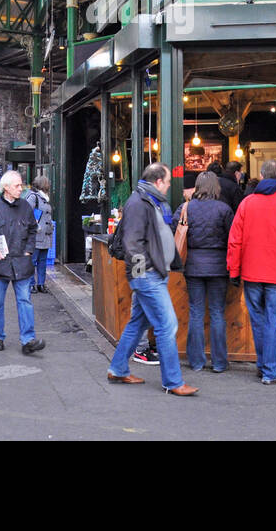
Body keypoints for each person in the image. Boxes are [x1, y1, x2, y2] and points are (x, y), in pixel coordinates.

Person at [105, 163, 197, 396]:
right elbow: (132, 243)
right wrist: (142, 276)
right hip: (148, 275)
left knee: (137, 323)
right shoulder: (140, 203)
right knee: (167, 325)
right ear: (158, 182)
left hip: (151, 274)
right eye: (166, 182)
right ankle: (173, 382)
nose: (168, 187)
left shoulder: (148, 201)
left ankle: (117, 369)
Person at [227, 159, 276, 385]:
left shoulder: (246, 204)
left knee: (258, 321)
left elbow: (235, 241)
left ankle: (264, 366)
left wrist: (234, 270)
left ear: (261, 177)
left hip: (252, 273)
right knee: (273, 322)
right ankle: (271, 371)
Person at [0, 170, 44, 355]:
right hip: (0, 262)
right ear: (6, 188)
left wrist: (29, 250)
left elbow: (32, 230)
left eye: (21, 185)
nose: (21, 189)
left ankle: (28, 340)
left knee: (25, 301)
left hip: (22, 261)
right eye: (17, 186)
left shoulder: (26, 207)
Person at [183, 171, 236, 373]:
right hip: (218, 266)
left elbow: (175, 233)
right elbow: (232, 239)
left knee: (195, 313)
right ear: (216, 187)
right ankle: (220, 362)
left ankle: (196, 362)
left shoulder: (186, 208)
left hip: (193, 265)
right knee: (217, 313)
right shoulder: (224, 209)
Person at [28, 175, 55, 293]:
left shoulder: (45, 198)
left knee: (43, 261)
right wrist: (35, 225)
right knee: (33, 261)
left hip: (46, 235)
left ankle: (41, 284)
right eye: (47, 183)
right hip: (37, 235)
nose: (49, 185)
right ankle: (31, 284)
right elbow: (26, 212)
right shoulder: (34, 197)